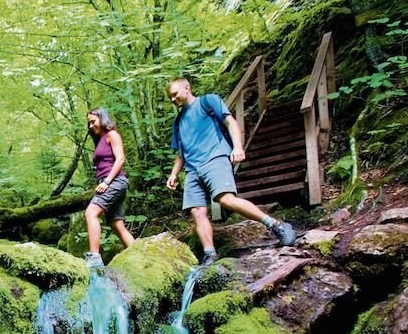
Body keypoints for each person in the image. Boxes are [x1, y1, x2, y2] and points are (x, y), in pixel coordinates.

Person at [165, 77, 295, 267]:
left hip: (215, 158)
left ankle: (275, 225)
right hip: (192, 169)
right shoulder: (178, 122)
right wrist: (174, 174)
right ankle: (210, 255)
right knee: (197, 211)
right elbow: (181, 153)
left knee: (225, 199)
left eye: (175, 95)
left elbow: (231, 122)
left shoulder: (207, 102)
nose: (173, 100)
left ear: (186, 88)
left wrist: (237, 147)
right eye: (170, 97)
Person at [83, 107, 135, 269]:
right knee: (116, 225)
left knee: (91, 213)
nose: (91, 126)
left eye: (93, 122)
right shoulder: (100, 140)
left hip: (115, 182)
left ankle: (95, 257)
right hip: (113, 182)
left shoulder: (112, 135)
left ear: (102, 118)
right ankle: (140, 255)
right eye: (89, 123)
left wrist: (106, 181)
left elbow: (120, 159)